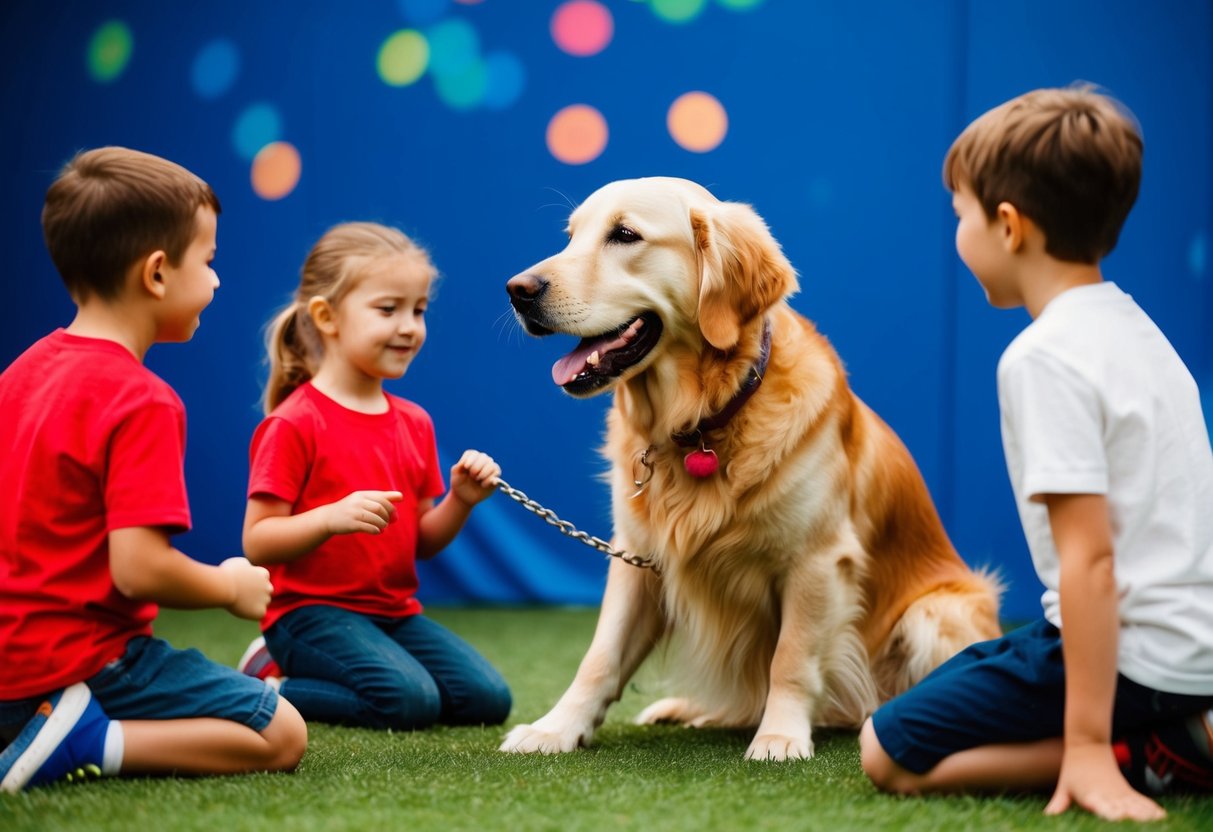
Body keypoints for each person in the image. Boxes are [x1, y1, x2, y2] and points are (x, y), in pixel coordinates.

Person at [859, 85, 1213, 822]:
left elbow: (1090, 563)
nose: (956, 234)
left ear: (1009, 226)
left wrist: (1084, 741)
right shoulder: (1134, 328)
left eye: (960, 215)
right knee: (960, 675)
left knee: (885, 751)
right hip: (1191, 646)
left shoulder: (1044, 358)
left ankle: (1154, 750)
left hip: (1135, 658)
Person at [0, 147, 307, 793]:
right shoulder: (140, 398)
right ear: (158, 274)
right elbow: (137, 569)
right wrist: (228, 588)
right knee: (281, 734)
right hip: (85, 659)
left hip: (9, 664)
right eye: (210, 261)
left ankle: (43, 723)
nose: (218, 281)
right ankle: (85, 740)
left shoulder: (22, 372)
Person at [236, 221, 511, 731]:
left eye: (419, 310)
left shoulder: (414, 422)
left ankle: (362, 670)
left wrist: (462, 500)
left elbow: (422, 541)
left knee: (487, 698)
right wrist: (328, 519)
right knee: (407, 701)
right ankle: (267, 678)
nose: (409, 326)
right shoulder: (294, 422)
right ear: (327, 317)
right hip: (307, 615)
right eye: (389, 310)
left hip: (392, 613)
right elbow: (257, 542)